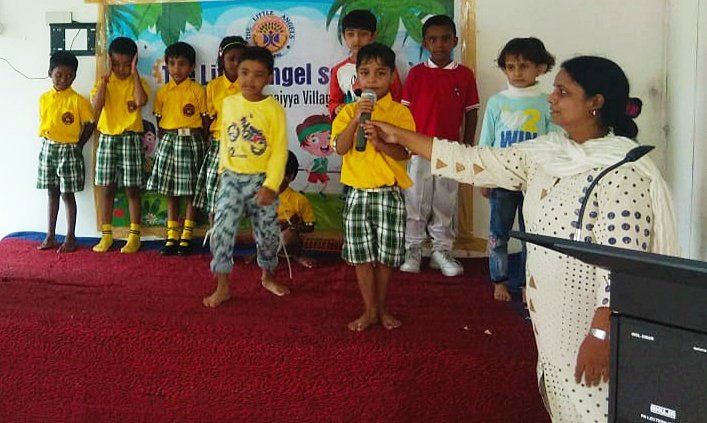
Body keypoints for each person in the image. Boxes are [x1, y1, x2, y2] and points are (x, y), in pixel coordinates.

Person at [364, 55, 679, 422]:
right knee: (564, 404)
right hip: (552, 318)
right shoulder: (548, 153)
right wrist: (399, 135)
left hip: (593, 326)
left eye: (564, 91)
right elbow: (473, 159)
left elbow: (623, 268)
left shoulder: (624, 171)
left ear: (596, 102)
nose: (552, 98)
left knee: (598, 407)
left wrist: (601, 336)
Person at [331, 43, 416, 331]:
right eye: (365, 73)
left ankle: (382, 307)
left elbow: (404, 154)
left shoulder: (400, 113)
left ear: (392, 76)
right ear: (357, 77)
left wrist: (380, 143)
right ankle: (369, 310)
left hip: (389, 192)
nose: (372, 79)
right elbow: (341, 148)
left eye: (380, 73)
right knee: (362, 256)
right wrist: (356, 118)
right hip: (356, 193)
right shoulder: (348, 112)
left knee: (386, 256)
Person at [203, 46, 290, 308]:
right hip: (230, 178)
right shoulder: (228, 103)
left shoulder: (274, 110)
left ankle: (267, 276)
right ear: (236, 73)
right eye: (244, 73)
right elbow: (225, 142)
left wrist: (271, 185)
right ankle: (223, 286)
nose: (249, 80)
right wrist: (222, 174)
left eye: (257, 75)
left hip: (262, 181)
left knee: (268, 235)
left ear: (269, 78)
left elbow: (278, 151)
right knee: (221, 232)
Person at [399, 15, 480, 277]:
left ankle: (441, 250)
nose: (440, 44)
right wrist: (406, 146)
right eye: (433, 39)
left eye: (446, 38)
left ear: (455, 40)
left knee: (445, 202)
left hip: (450, 151)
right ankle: (412, 248)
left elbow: (471, 113)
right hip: (418, 150)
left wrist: (466, 148)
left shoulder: (464, 75)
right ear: (425, 43)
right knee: (415, 201)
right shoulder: (416, 74)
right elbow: (405, 114)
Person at [478, 37, 557, 301]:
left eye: (524, 66)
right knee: (498, 234)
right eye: (510, 67)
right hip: (502, 180)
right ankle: (499, 281)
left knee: (531, 237)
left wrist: (553, 180)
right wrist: (483, 176)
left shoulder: (547, 102)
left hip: (535, 182)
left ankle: (526, 284)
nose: (517, 73)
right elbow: (485, 142)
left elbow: (555, 142)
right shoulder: (497, 102)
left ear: (541, 68)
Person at [146, 41, 208, 256]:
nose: (176, 69)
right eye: (172, 64)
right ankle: (171, 235)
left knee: (190, 191)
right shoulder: (162, 93)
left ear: (191, 67)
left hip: (192, 142)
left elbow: (205, 120)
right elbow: (158, 120)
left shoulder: (198, 91)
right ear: (166, 65)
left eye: (182, 64)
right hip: (169, 141)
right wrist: (164, 141)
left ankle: (186, 236)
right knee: (171, 191)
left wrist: (202, 140)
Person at [91, 37, 150, 254]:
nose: (121, 69)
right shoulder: (104, 82)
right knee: (107, 188)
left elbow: (141, 100)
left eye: (127, 64)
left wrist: (134, 73)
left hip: (131, 138)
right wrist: (106, 79)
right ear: (110, 62)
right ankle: (107, 235)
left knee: (132, 189)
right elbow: (96, 106)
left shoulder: (138, 81)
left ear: (134, 61)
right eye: (116, 64)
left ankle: (135, 236)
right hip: (107, 137)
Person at [37, 51, 95, 253]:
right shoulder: (44, 99)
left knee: (67, 195)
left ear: (75, 77)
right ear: (50, 73)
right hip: (48, 147)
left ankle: (70, 237)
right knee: (51, 192)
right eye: (59, 75)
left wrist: (78, 144)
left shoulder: (78, 101)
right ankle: (50, 236)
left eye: (69, 76)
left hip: (69, 150)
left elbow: (90, 123)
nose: (64, 79)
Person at [194, 36, 247, 232]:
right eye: (231, 58)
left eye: (241, 59)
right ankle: (216, 236)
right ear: (222, 60)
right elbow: (207, 119)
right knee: (215, 193)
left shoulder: (250, 85)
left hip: (242, 148)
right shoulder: (213, 87)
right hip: (218, 145)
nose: (236, 63)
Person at [328, 9, 403, 120]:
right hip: (350, 125)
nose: (356, 40)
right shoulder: (339, 70)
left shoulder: (386, 66)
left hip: (382, 123)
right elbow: (333, 101)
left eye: (363, 34)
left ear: (373, 36)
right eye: (350, 34)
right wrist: (336, 108)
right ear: (344, 36)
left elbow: (396, 98)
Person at [276, 151, 317, 268]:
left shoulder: (299, 200)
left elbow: (310, 226)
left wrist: (292, 226)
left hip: (286, 237)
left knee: (288, 237)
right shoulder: (265, 195)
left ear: (290, 177)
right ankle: (263, 255)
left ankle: (296, 256)